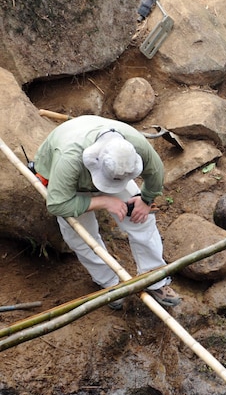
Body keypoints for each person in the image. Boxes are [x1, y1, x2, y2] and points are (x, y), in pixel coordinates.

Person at [34, 115, 181, 309]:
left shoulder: (135, 144)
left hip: (112, 169)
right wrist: (103, 201)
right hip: (71, 182)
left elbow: (155, 172)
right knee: (81, 236)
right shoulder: (69, 158)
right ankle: (110, 284)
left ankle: (155, 279)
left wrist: (146, 200)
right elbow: (57, 204)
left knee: (141, 220)